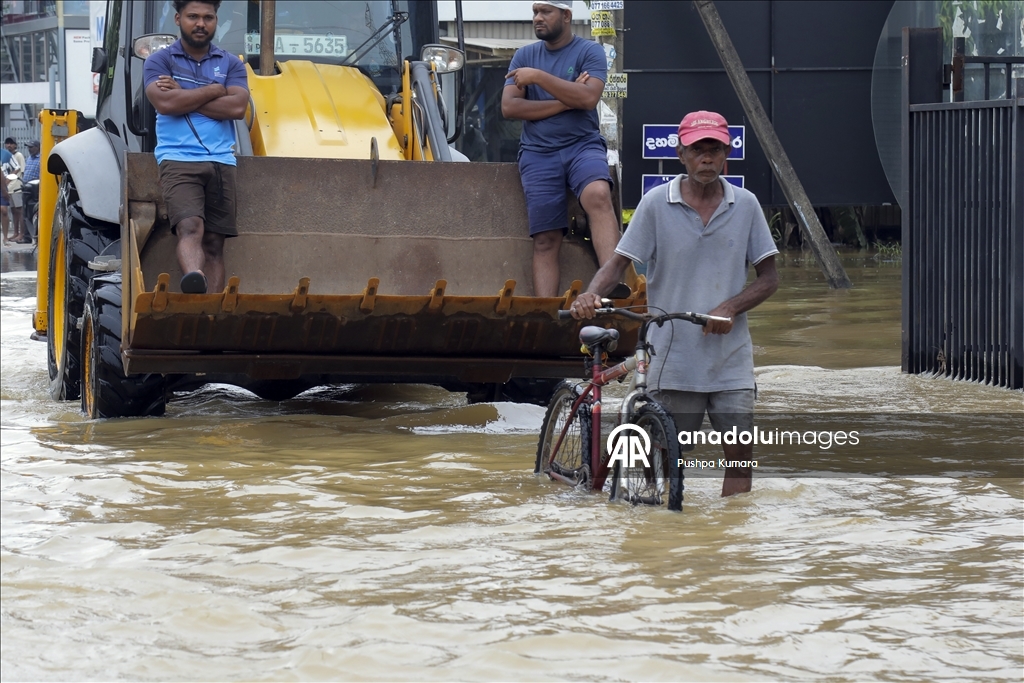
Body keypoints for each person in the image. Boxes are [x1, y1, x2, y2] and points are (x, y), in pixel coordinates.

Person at [570, 111, 780, 497]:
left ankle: (731, 542)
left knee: (739, 455)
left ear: (726, 155)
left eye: (714, 150)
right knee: (666, 456)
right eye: (698, 150)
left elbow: (769, 278)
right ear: (681, 154)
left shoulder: (746, 206)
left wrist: (731, 307)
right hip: (671, 356)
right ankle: (660, 527)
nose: (706, 158)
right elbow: (617, 266)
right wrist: (591, 296)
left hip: (730, 358)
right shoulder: (655, 204)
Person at [502, 1, 621, 297]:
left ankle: (612, 286)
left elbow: (589, 98)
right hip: (538, 153)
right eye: (535, 13)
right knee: (545, 238)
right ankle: (547, 315)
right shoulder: (524, 55)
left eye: (545, 12)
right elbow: (510, 107)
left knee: (598, 194)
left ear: (566, 16)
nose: (537, 18)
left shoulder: (589, 51)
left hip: (583, 146)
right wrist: (567, 98)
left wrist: (539, 78)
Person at [144, 0, 248, 294]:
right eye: (193, 17)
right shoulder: (160, 61)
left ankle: (212, 312)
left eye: (208, 17)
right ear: (178, 19)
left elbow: (238, 107)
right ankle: (194, 278)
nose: (200, 23)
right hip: (178, 159)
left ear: (216, 21)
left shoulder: (231, 63)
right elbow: (166, 104)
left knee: (215, 242)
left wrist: (185, 95)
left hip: (222, 161)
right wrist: (216, 90)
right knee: (190, 226)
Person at [2, 138, 25, 244]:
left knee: (19, 211)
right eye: (7, 143)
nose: (9, 145)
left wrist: (6, 181)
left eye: (11, 143)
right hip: (7, 188)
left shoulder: (18, 155)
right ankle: (15, 232)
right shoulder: (7, 155)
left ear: (16, 145)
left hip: (15, 186)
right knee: (13, 211)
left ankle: (21, 233)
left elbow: (19, 169)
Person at [21, 141, 41, 244]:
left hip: (35, 189)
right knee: (25, 213)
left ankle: (36, 235)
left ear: (37, 147)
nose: (29, 149)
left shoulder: (41, 158)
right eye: (28, 147)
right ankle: (26, 237)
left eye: (31, 147)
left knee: (34, 212)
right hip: (26, 188)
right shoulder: (29, 158)